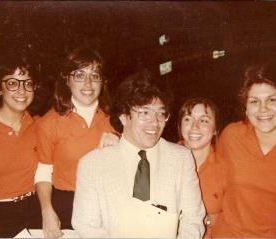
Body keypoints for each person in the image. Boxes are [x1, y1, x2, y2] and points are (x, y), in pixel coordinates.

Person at [72, 69, 205, 238]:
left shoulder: (181, 158)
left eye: (161, 113)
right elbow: (86, 226)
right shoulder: (92, 165)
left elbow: (193, 220)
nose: (155, 122)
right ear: (123, 116)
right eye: (145, 113)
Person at [35, 47, 118, 238]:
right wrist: (47, 211)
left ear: (103, 82)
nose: (88, 83)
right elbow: (44, 170)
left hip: (108, 205)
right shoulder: (49, 122)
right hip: (67, 206)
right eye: (79, 75)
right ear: (67, 79)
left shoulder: (117, 120)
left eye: (94, 75)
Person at [212, 62, 276, 238]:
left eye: (272, 99)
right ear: (246, 109)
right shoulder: (232, 136)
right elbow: (211, 169)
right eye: (254, 101)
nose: (263, 109)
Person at [0, 51, 42, 237]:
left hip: (33, 212)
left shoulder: (39, 125)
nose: (22, 91)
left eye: (28, 84)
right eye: (12, 83)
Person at [177, 97, 225, 238]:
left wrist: (212, 220)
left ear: (215, 129)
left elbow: (239, 214)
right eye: (188, 119)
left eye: (204, 120)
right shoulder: (163, 158)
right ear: (179, 126)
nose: (195, 126)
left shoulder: (226, 166)